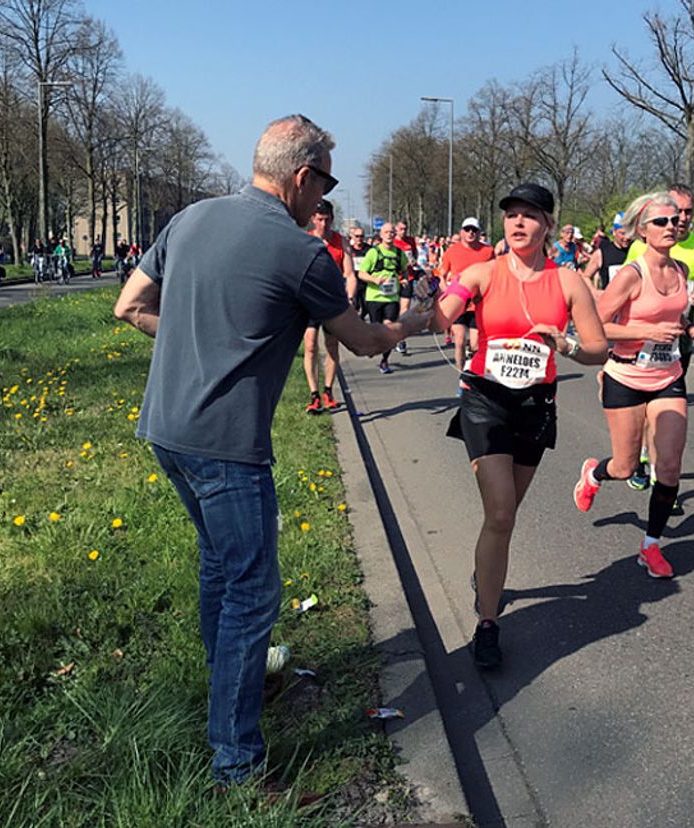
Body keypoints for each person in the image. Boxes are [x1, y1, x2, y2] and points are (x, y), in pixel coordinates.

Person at [113, 114, 433, 788]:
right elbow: (365, 342)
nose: (325, 199)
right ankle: (235, 760)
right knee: (254, 594)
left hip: (166, 431)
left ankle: (234, 684)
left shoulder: (190, 219)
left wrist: (198, 339)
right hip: (226, 447)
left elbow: (130, 306)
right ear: (301, 176)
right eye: (326, 183)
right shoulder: (300, 251)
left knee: (219, 570)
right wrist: (418, 320)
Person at [435, 183, 608, 669]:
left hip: (535, 404)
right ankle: (488, 622)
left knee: (502, 520)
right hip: (485, 400)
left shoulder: (568, 281)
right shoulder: (482, 272)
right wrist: (434, 309)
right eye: (511, 215)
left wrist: (564, 342)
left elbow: (599, 351)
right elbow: (445, 311)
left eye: (529, 215)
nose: (517, 223)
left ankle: (484, 573)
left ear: (547, 225)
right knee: (502, 513)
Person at [573, 191, 694, 579]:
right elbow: (595, 327)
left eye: (676, 220)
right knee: (625, 466)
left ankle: (651, 546)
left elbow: (672, 319)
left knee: (668, 466)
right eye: (662, 221)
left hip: (668, 377)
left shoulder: (682, 270)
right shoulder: (632, 274)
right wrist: (646, 330)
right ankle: (593, 474)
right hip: (627, 377)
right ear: (641, 230)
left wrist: (690, 327)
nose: (672, 226)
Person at [623, 183, 694, 495]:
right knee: (649, 408)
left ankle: (658, 470)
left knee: (664, 408)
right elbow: (619, 300)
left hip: (678, 340)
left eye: (687, 213)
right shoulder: (640, 247)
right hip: (639, 346)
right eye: (676, 213)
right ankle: (645, 462)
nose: (681, 219)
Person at [303, 199, 357, 413]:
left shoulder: (340, 242)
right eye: (319, 220)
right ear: (312, 220)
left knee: (332, 346)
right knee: (310, 345)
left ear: (332, 219)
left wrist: (350, 299)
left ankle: (328, 390)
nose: (323, 224)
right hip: (310, 301)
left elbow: (350, 274)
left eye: (326, 220)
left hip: (333, 300)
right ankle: (314, 394)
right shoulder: (305, 241)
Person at [438, 217, 494, 387]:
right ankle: (462, 376)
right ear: (461, 232)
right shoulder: (452, 251)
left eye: (474, 230)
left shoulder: (488, 251)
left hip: (479, 304)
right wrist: (445, 289)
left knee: (476, 345)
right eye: (467, 229)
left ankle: (472, 367)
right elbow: (441, 274)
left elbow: (495, 273)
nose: (471, 233)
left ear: (479, 233)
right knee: (460, 341)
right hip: (459, 303)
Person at [358, 222, 408, 374]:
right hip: (374, 297)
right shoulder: (374, 253)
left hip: (391, 298)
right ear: (381, 235)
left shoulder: (400, 254)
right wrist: (375, 280)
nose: (389, 234)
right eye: (386, 232)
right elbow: (361, 273)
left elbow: (405, 271)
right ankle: (372, 346)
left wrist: (404, 280)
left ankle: (384, 361)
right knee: (376, 329)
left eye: (392, 232)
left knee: (389, 330)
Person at [580, 212, 631, 294]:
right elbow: (586, 277)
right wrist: (594, 292)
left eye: (629, 233)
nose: (627, 237)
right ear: (614, 232)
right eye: (622, 233)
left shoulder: (637, 249)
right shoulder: (602, 253)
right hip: (610, 302)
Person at [394, 220, 418, 355]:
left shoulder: (410, 241)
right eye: (401, 229)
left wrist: (413, 261)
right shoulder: (392, 242)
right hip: (393, 280)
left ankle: (401, 339)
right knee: (392, 310)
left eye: (405, 229)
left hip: (408, 278)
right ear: (396, 229)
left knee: (405, 309)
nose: (403, 231)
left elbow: (414, 254)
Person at [348, 223, 371, 319]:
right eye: (357, 236)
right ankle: (356, 322)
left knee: (366, 306)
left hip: (366, 281)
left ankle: (360, 318)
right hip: (354, 281)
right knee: (355, 304)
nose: (359, 239)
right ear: (352, 237)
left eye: (361, 236)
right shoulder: (349, 250)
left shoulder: (369, 249)